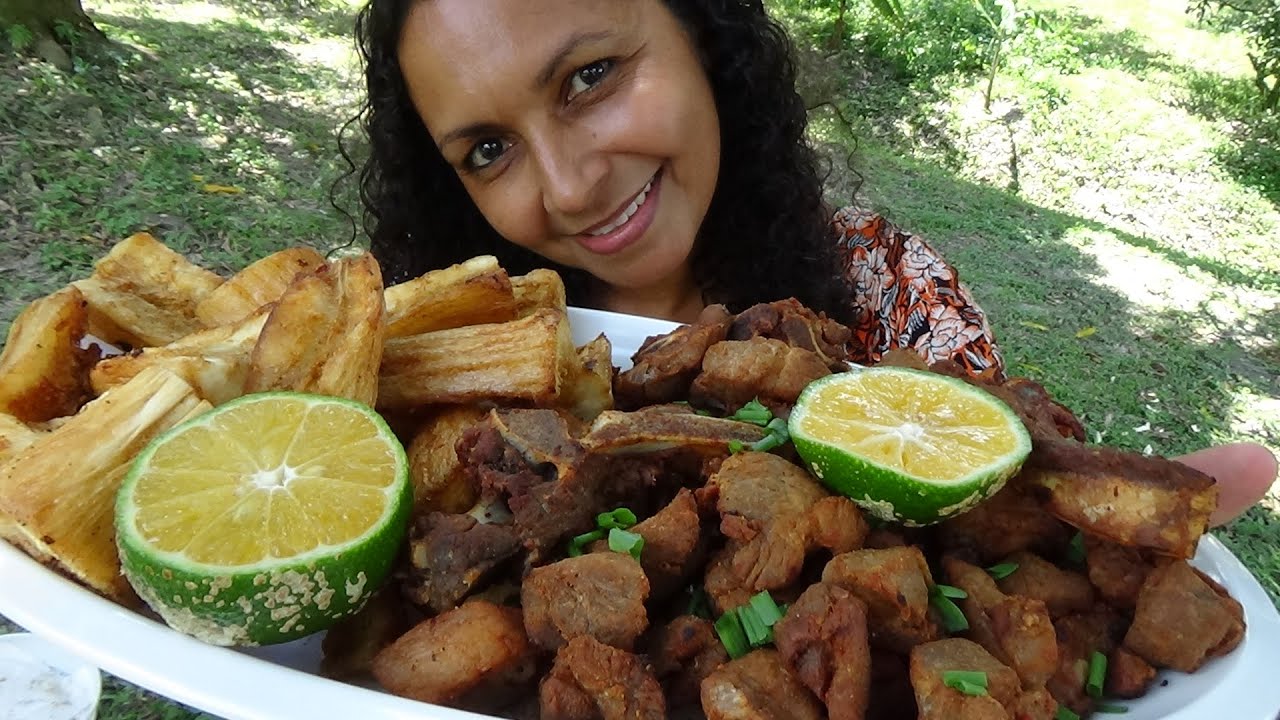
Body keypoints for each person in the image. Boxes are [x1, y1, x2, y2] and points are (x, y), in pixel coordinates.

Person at [348, 0, 1275, 524]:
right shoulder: (403, 365)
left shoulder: (895, 290)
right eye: (488, 150)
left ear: (703, 38)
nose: (569, 186)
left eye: (589, 77)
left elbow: (995, 497)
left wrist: (1090, 532)